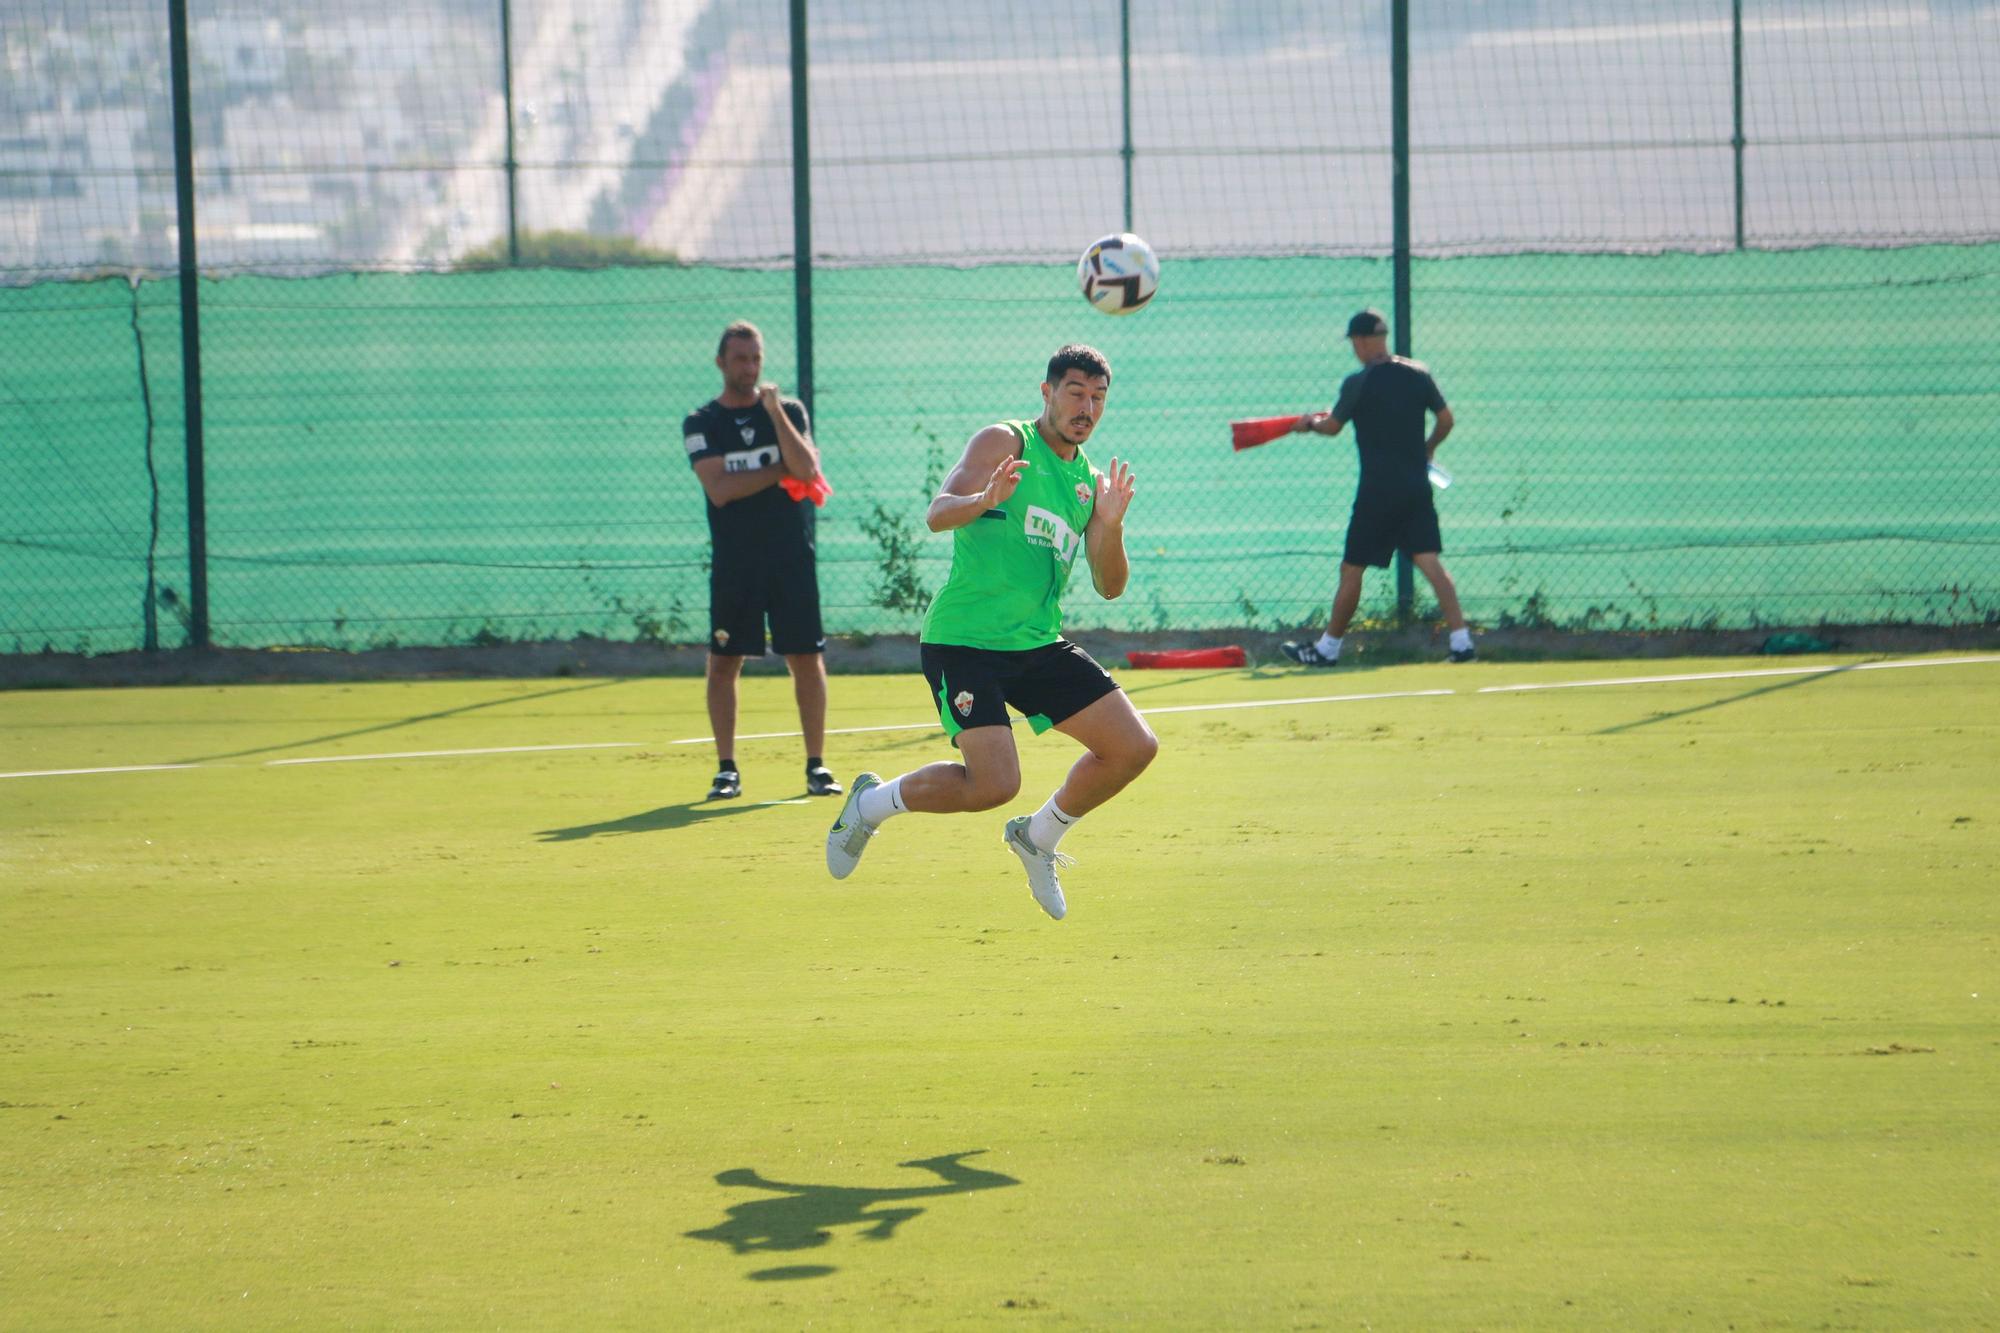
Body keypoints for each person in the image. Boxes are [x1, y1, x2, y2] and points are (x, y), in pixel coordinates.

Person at [823, 344, 1158, 921]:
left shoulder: (1089, 483)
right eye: (1075, 392)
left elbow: (1110, 586)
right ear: (1047, 392)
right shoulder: (1005, 442)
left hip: (1036, 643)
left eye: (1098, 397)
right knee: (994, 784)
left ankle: (1039, 837)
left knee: (1133, 747)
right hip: (966, 638)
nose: (1087, 407)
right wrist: (985, 498)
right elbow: (938, 511)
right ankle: (871, 805)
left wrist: (1111, 524)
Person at [683, 320, 840, 800]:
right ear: (720, 363)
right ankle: (726, 768)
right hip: (736, 562)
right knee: (725, 661)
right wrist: (779, 471)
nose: (749, 368)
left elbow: (809, 469)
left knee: (806, 658)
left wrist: (775, 414)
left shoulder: (786, 410)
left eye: (755, 359)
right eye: (739, 359)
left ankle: (816, 766)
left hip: (791, 558)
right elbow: (721, 489)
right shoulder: (702, 422)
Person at [1280, 308, 1475, 667]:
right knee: (1430, 562)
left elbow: (1333, 426)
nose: (1355, 348)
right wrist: (1428, 448)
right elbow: (1446, 420)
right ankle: (1462, 643)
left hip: (1376, 493)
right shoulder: (1419, 374)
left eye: (1356, 341)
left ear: (1366, 340)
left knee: (1352, 569)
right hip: (1416, 487)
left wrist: (1307, 424)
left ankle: (1328, 649)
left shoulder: (1360, 381)